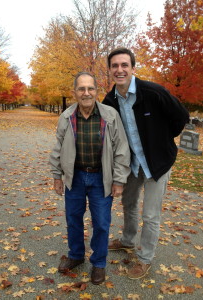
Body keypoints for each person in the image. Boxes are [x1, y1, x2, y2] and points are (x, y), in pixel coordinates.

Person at [102, 48, 189, 279]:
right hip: (131, 165)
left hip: (157, 164)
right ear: (110, 70)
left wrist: (162, 141)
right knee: (128, 205)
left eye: (124, 65)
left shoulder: (153, 92)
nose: (119, 70)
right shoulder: (110, 100)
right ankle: (128, 241)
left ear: (132, 67)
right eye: (115, 66)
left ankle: (145, 259)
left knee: (150, 215)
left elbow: (180, 116)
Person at [49, 71, 130, 285]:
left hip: (100, 178)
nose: (86, 93)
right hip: (74, 178)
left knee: (102, 223)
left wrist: (119, 180)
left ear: (96, 91)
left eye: (90, 88)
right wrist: (57, 175)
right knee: (73, 220)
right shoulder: (67, 116)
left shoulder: (110, 115)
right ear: (75, 92)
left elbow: (122, 150)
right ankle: (76, 255)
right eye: (81, 89)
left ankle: (99, 263)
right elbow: (58, 148)